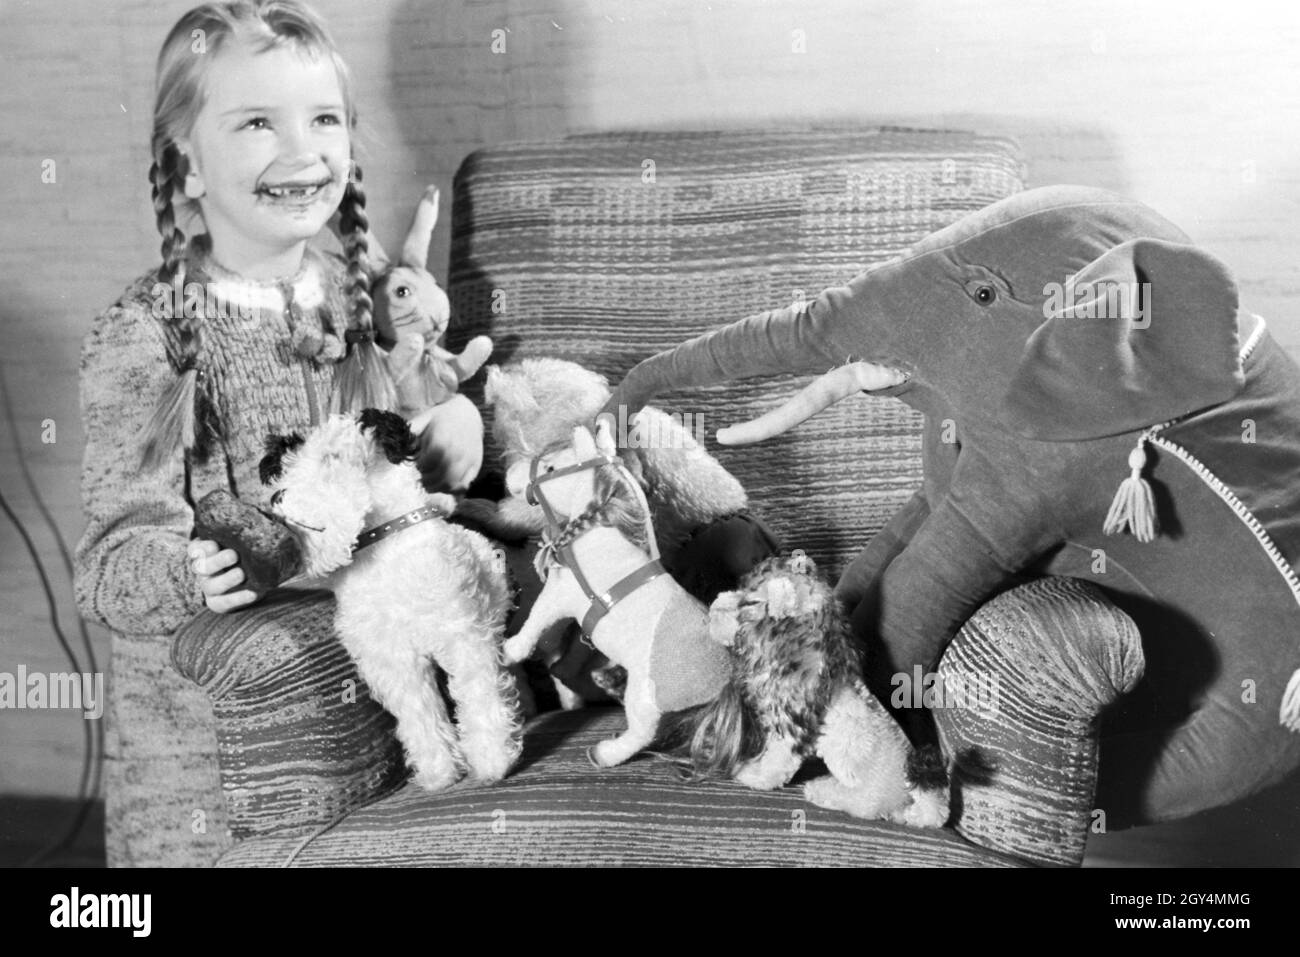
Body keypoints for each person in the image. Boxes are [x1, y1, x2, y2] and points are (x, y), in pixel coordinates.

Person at [74, 0, 379, 866]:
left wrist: (455, 422)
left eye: (324, 118)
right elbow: (107, 567)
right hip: (207, 771)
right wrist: (189, 572)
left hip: (355, 723)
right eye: (255, 122)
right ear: (189, 166)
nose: (303, 149)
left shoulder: (356, 294)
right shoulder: (147, 336)